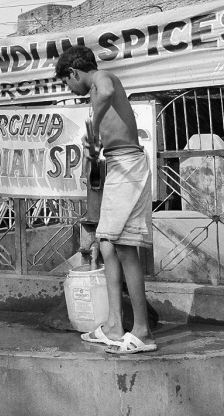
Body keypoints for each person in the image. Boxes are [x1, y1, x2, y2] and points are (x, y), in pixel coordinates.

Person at [55, 45, 157, 355]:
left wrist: (93, 129)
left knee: (124, 246)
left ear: (74, 72)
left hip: (128, 165)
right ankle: (114, 326)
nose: (68, 88)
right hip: (116, 164)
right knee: (108, 245)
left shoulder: (103, 77)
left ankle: (142, 332)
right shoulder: (95, 90)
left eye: (66, 82)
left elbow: (107, 90)